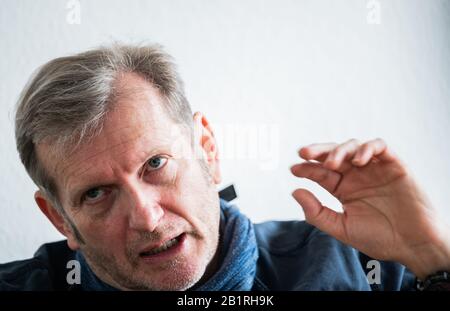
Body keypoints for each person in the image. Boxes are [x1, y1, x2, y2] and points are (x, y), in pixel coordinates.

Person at [1, 44, 449, 291]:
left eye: (156, 164)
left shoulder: (358, 265)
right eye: (96, 193)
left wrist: (433, 258)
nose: (147, 218)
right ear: (61, 218)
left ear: (207, 152)